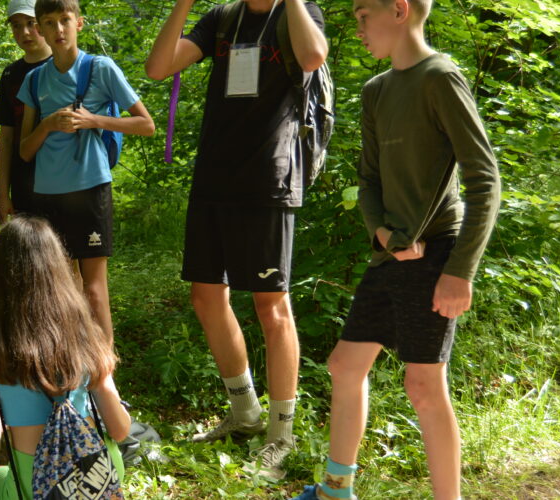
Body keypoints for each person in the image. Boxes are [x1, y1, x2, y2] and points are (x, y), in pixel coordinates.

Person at [292, 0, 500, 498]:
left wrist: (459, 271)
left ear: (400, 10)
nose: (358, 28)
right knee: (344, 366)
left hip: (436, 255)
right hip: (388, 254)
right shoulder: (376, 90)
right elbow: (368, 181)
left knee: (423, 387)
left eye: (364, 16)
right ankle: (336, 490)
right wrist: (381, 233)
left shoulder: (440, 76)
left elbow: (484, 177)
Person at [145, 0, 328, 477]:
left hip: (269, 179)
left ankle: (281, 436)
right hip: (214, 178)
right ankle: (245, 413)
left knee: (272, 306)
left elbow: (312, 58)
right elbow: (158, 67)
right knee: (206, 297)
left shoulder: (299, 11)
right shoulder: (222, 18)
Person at [17, 0, 155, 344]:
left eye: (65, 20)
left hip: (90, 187)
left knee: (93, 290)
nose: (58, 30)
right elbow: (24, 150)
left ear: (78, 23)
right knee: (59, 288)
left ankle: (106, 380)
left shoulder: (100, 68)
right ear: (40, 29)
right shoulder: (34, 80)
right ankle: (72, 369)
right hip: (47, 193)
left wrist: (93, 120)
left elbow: (146, 124)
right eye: (49, 23)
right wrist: (48, 124)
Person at [0, 217, 131, 499]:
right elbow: (119, 431)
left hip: (36, 489)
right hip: (99, 474)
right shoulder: (84, 333)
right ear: (58, 270)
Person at [0, 0, 51, 223]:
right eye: (16, 25)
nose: (24, 32)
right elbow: (6, 139)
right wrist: (2, 196)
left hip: (63, 177)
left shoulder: (64, 65)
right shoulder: (10, 75)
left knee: (67, 252)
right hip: (24, 180)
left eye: (31, 23)